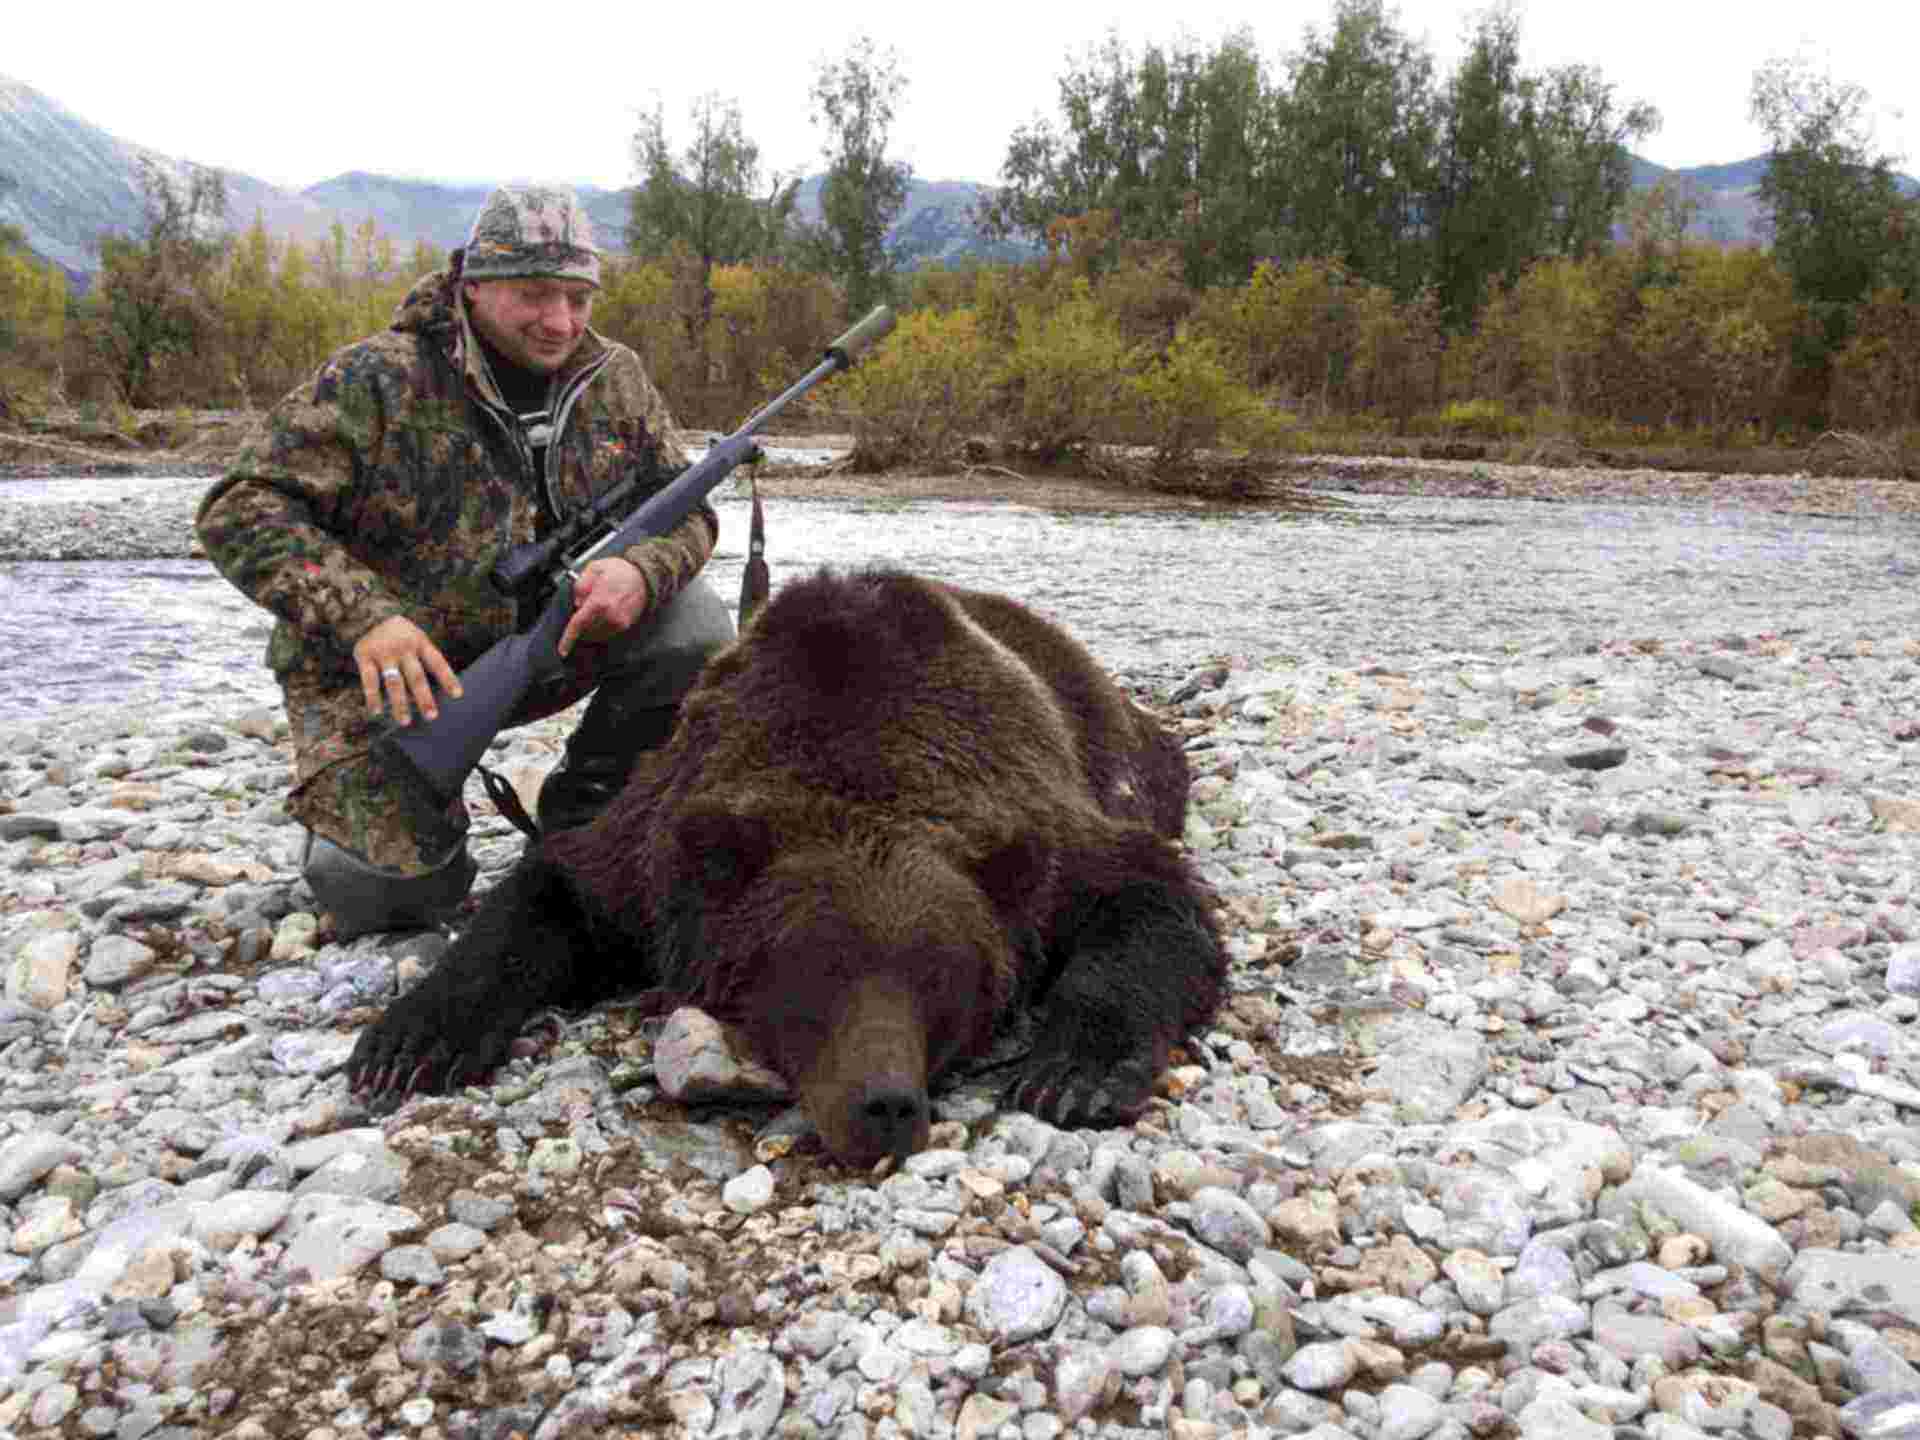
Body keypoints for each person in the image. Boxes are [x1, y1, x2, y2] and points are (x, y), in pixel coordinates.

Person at [197, 185, 733, 938]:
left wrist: (643, 571)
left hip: (547, 642)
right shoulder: (372, 379)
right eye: (534, 294)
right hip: (389, 676)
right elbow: (239, 507)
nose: (561, 321)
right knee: (387, 898)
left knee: (695, 623)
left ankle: (586, 815)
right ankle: (395, 827)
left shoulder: (618, 378)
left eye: (578, 296)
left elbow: (691, 508)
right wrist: (365, 619)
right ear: (473, 285)